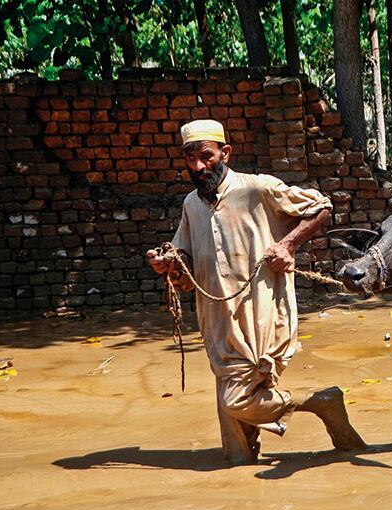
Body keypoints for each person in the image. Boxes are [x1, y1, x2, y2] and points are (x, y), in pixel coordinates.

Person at [146, 119, 366, 463]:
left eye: (206, 156)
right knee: (236, 457)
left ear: (225, 153)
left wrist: (288, 244)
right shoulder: (191, 204)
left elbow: (320, 206)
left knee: (234, 400)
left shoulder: (257, 188)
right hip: (217, 322)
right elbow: (185, 261)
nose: (199, 166)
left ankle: (319, 401)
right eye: (190, 159)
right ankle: (272, 446)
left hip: (261, 314)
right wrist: (169, 264)